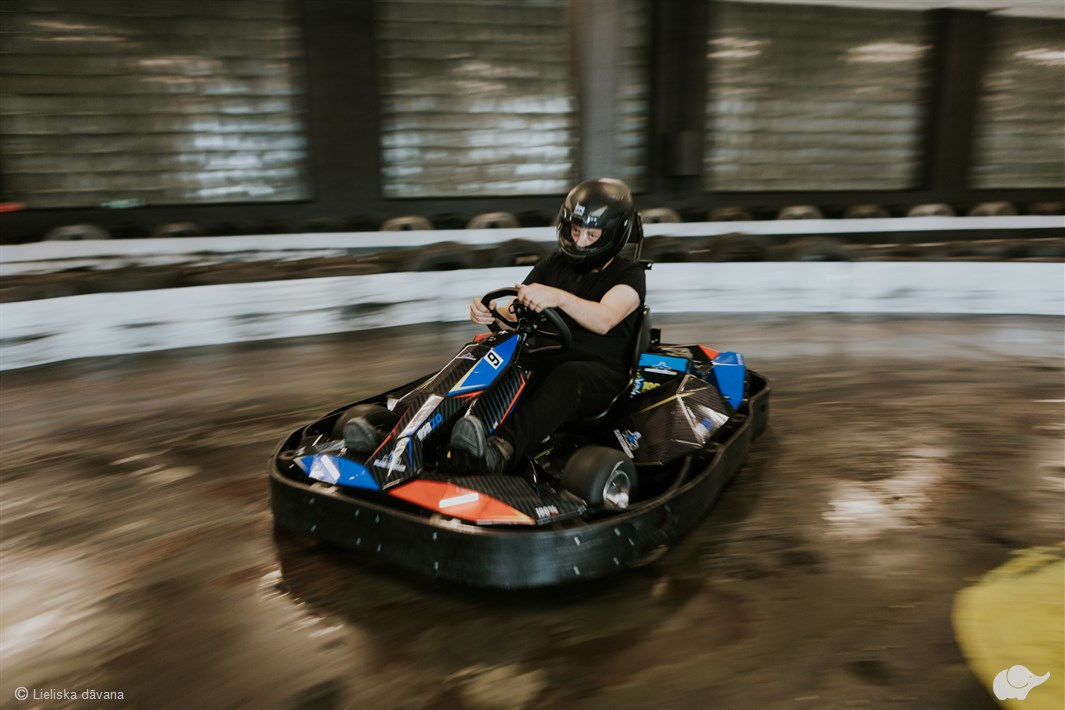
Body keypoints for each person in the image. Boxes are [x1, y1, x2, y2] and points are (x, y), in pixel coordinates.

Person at [447, 177, 647, 475]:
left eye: (591, 234)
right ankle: (423, 431)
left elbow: (605, 319)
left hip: (601, 375)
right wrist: (491, 311)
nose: (580, 241)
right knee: (488, 353)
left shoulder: (629, 274)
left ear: (614, 235)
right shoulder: (552, 265)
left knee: (569, 375)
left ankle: (500, 451)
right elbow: (517, 308)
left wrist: (559, 297)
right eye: (576, 231)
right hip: (548, 356)